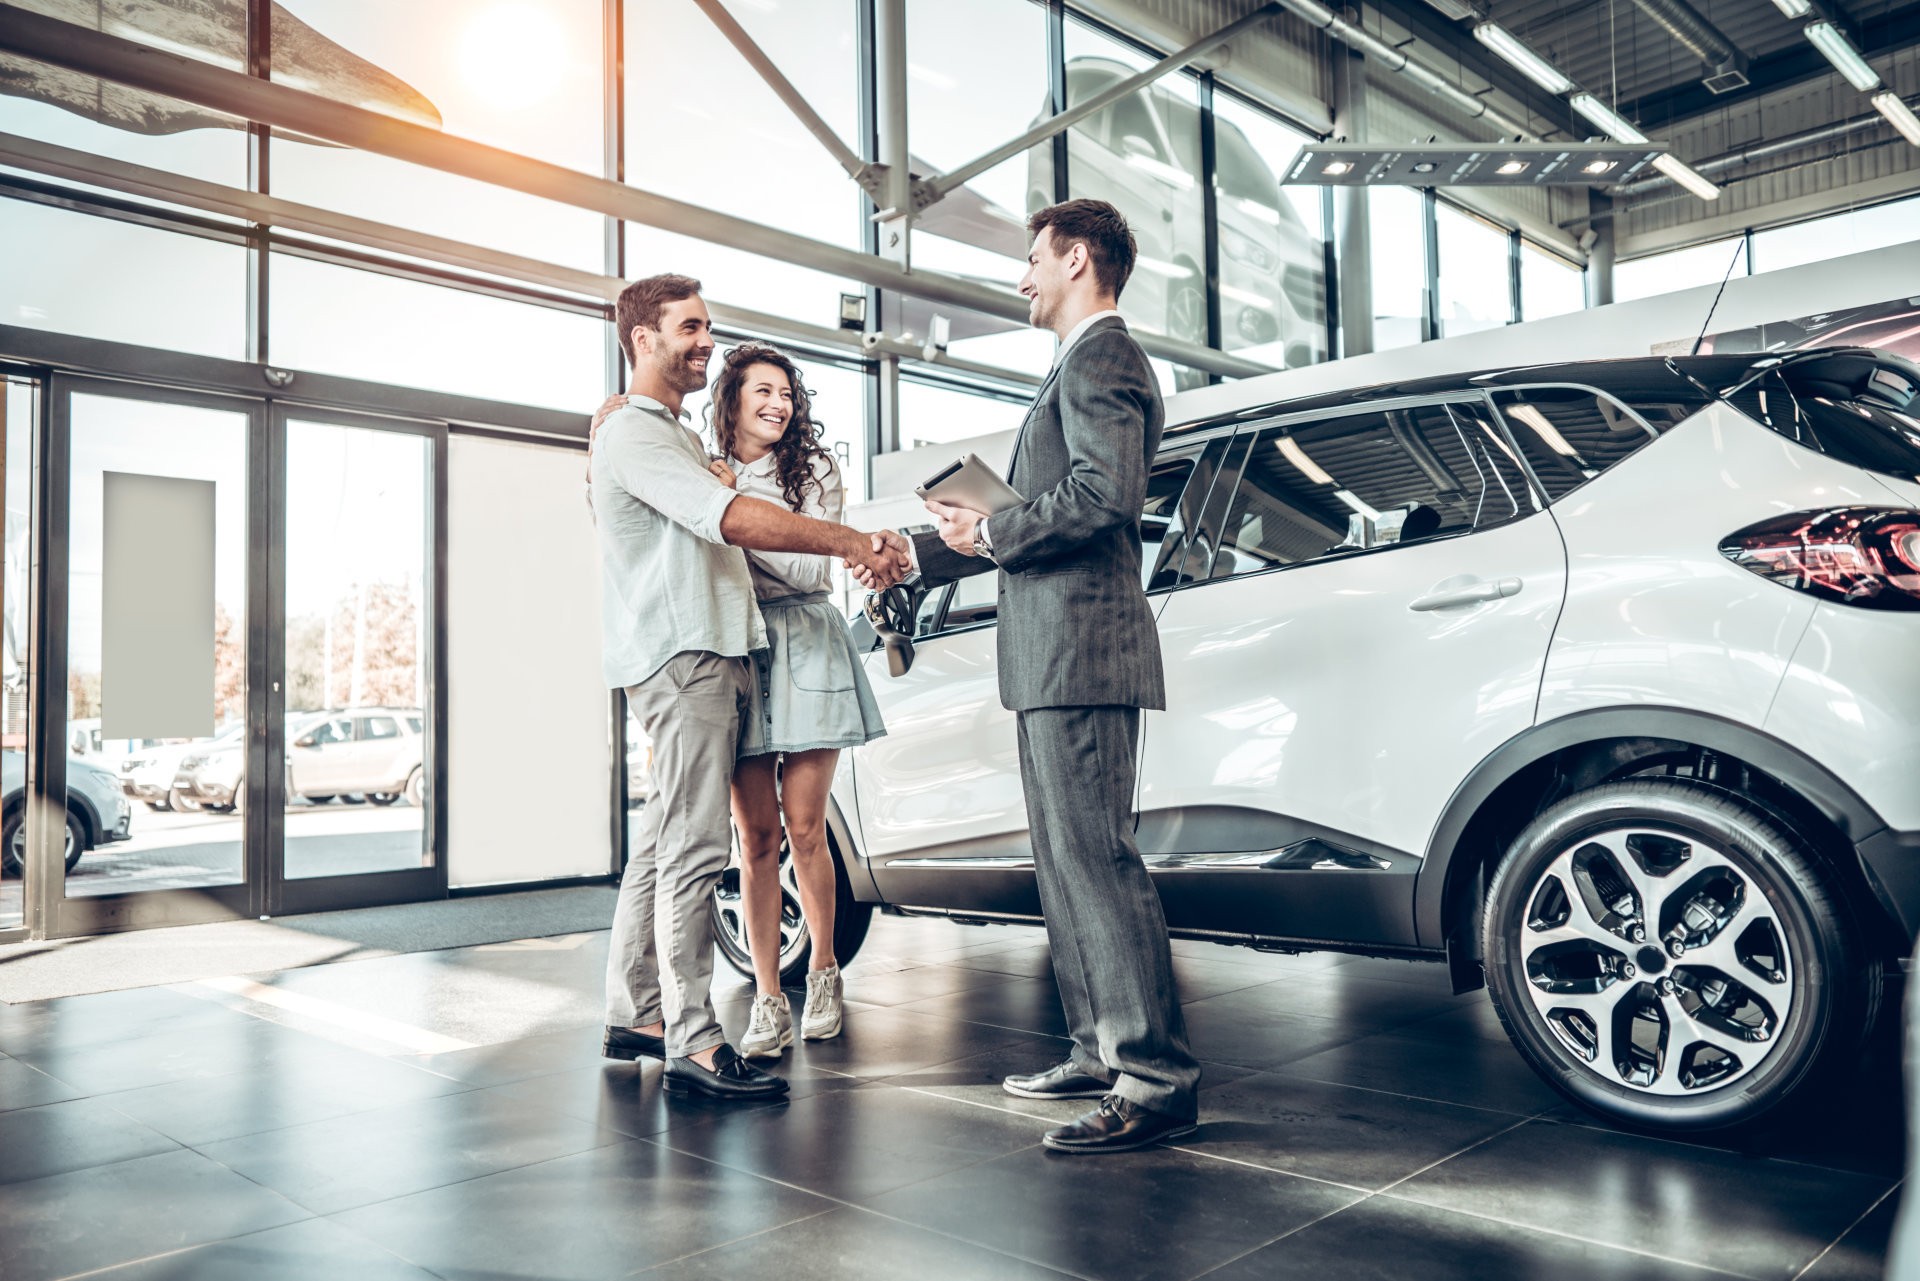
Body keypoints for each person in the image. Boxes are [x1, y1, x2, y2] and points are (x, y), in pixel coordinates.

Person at [854, 199, 1201, 1154]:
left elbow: (1102, 495)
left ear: (1077, 259)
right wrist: (927, 550)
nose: (1023, 278)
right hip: (1052, 656)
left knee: (1097, 861)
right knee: (1066, 864)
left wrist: (993, 528)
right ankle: (1099, 1048)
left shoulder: (1103, 358)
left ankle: (1155, 1079)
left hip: (1081, 652)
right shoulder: (1076, 365)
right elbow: (1037, 509)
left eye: (1034, 260)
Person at [592, 274, 909, 1102]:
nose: (706, 341)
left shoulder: (664, 432)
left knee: (664, 841)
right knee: (699, 848)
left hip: (715, 651)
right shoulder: (637, 434)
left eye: (708, 328)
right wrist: (850, 542)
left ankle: (637, 1012)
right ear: (643, 340)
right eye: (689, 328)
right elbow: (727, 518)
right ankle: (696, 1040)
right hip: (687, 656)